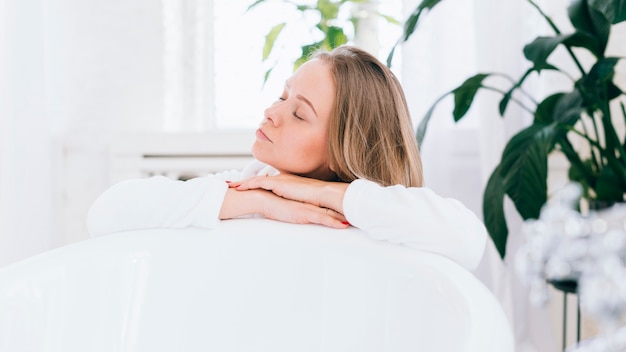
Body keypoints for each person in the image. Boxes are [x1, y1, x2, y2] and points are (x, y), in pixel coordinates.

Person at [87, 45, 487, 271]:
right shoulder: (250, 187)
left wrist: (319, 193)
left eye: (299, 113)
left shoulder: (376, 218)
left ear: (342, 150)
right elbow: (106, 213)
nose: (271, 114)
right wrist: (260, 200)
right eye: (282, 96)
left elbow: (468, 241)